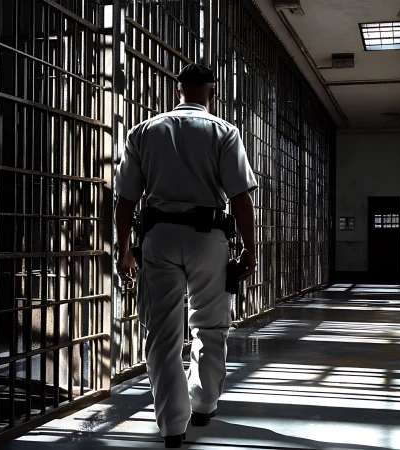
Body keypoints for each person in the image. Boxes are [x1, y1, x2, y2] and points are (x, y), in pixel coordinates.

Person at [114, 63, 258, 448]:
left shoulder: (143, 131)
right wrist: (250, 248)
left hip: (158, 236)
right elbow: (241, 196)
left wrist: (124, 249)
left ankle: (172, 429)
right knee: (210, 327)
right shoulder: (224, 132)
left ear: (179, 90)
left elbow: (126, 198)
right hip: (208, 237)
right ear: (212, 91)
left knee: (162, 334)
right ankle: (204, 407)